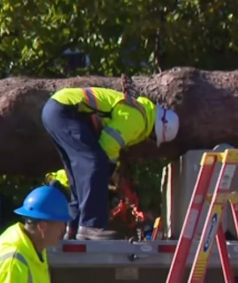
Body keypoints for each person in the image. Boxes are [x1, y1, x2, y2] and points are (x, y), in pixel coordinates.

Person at [41, 86, 180, 240]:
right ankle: (91, 226)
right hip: (66, 111)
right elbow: (107, 145)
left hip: (57, 110)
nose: (150, 139)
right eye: (154, 137)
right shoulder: (138, 120)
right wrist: (104, 175)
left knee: (78, 176)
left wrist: (108, 170)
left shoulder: (138, 110)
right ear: (156, 129)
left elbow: (108, 149)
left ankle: (72, 228)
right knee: (93, 164)